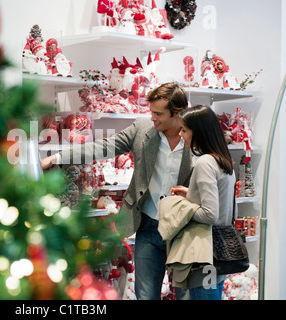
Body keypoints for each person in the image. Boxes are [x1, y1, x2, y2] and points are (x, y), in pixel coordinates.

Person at [41, 82, 193, 300]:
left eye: (158, 113)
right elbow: (102, 147)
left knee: (187, 295)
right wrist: (56, 158)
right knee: (145, 295)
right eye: (151, 111)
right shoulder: (142, 128)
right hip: (148, 225)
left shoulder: (196, 134)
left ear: (177, 113)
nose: (152, 118)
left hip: (184, 228)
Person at [170, 104, 236, 300]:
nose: (181, 134)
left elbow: (209, 214)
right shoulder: (221, 160)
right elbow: (219, 200)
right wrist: (191, 193)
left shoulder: (204, 162)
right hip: (220, 254)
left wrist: (181, 208)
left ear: (198, 131)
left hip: (204, 255)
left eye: (184, 129)